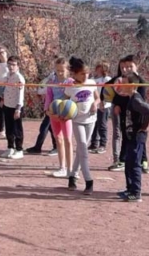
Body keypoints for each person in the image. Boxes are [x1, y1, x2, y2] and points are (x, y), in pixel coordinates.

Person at [65, 57, 100, 195]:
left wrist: (95, 104)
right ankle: (89, 181)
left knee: (81, 149)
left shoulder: (92, 83)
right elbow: (65, 102)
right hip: (77, 121)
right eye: (81, 74)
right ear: (75, 74)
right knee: (83, 150)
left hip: (91, 120)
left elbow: (97, 97)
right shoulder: (70, 87)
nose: (85, 76)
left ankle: (72, 176)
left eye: (87, 73)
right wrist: (63, 112)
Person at [117, 73, 149, 203]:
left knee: (135, 164)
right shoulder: (131, 98)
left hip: (137, 136)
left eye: (125, 83)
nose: (122, 85)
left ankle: (136, 193)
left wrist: (143, 127)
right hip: (130, 135)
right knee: (128, 163)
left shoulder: (136, 100)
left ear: (132, 85)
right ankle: (130, 189)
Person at [44, 57, 73, 177]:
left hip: (65, 114)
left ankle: (70, 169)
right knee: (58, 139)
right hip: (53, 113)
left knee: (68, 140)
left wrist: (66, 112)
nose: (59, 73)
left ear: (67, 70)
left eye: (62, 70)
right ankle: (62, 167)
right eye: (57, 70)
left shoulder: (71, 81)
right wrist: (47, 110)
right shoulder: (52, 80)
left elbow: (72, 98)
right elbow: (49, 95)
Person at [25, 67, 58, 156]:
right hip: (49, 108)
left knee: (44, 127)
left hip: (54, 108)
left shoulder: (57, 81)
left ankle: (39, 147)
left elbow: (43, 90)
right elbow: (41, 89)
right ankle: (55, 146)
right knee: (50, 128)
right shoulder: (50, 79)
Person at [0, 55, 25, 159]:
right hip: (7, 105)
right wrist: (2, 99)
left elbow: (21, 93)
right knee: (9, 128)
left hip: (16, 107)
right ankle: (10, 147)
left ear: (18, 66)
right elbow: (4, 89)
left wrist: (18, 109)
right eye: (9, 64)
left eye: (13, 65)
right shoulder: (7, 76)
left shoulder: (19, 78)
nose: (11, 67)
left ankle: (19, 149)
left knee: (17, 128)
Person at [89, 60, 112, 154]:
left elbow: (108, 91)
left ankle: (103, 144)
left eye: (100, 67)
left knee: (102, 125)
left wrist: (104, 101)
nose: (97, 69)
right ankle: (94, 143)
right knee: (94, 124)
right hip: (95, 105)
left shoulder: (107, 79)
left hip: (104, 105)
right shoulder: (93, 79)